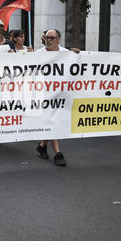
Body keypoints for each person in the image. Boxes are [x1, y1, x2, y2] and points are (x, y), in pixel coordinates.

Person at [36, 29, 80, 167]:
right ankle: (57, 153)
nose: (49, 40)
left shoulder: (66, 53)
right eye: (47, 37)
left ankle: (42, 145)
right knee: (52, 121)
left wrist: (78, 54)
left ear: (58, 40)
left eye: (52, 38)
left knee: (57, 121)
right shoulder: (38, 54)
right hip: (44, 95)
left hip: (61, 95)